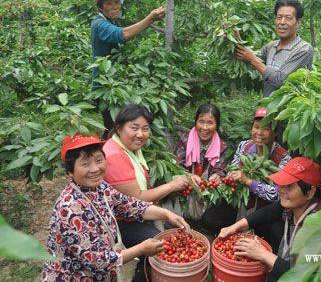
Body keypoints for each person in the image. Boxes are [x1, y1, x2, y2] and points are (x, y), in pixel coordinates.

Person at [41, 132, 190, 281]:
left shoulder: (101, 187)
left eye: (99, 160)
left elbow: (131, 205)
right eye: (85, 164)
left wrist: (167, 214)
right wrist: (141, 249)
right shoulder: (70, 208)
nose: (95, 169)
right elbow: (97, 260)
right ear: (70, 171)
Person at [102, 103, 190, 280]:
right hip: (121, 222)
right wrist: (172, 186)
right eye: (134, 128)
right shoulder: (114, 155)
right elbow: (137, 198)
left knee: (166, 237)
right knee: (159, 245)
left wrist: (165, 213)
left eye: (145, 129)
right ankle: (142, 274)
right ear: (118, 128)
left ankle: (145, 271)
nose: (140, 134)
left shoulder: (129, 149)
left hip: (132, 212)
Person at [219, 157, 321, 282]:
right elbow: (271, 211)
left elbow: (305, 274)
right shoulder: (296, 204)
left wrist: (264, 255)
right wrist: (235, 227)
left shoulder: (320, 225)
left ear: (310, 192)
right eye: (281, 184)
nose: (281, 190)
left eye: (289, 186)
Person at [201, 107, 291, 246]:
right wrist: (222, 177)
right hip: (239, 206)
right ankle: (234, 234)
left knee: (274, 234)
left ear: (275, 132)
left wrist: (249, 182)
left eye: (266, 129)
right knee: (209, 218)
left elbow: (278, 195)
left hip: (263, 211)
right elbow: (234, 169)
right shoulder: (244, 146)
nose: (259, 132)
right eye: (256, 127)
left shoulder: (283, 158)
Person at [91, 0, 166, 134]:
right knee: (115, 128)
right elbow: (124, 34)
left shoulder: (113, 22)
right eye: (109, 3)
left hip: (116, 83)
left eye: (117, 2)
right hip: (106, 88)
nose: (115, 7)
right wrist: (150, 18)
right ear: (101, 8)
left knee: (120, 125)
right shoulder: (99, 24)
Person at [234, 0, 313, 97]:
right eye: (279, 17)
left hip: (290, 111)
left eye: (288, 18)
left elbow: (281, 80)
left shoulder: (304, 49)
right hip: (268, 109)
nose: (282, 22)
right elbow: (246, 56)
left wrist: (252, 59)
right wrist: (235, 38)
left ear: (298, 23)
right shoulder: (271, 46)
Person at [175, 103, 228, 182]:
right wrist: (188, 176)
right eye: (201, 122)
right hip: (183, 188)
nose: (204, 127)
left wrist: (217, 176)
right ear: (196, 122)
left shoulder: (222, 147)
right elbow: (177, 167)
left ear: (217, 125)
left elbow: (221, 170)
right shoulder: (184, 140)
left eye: (210, 123)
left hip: (209, 190)